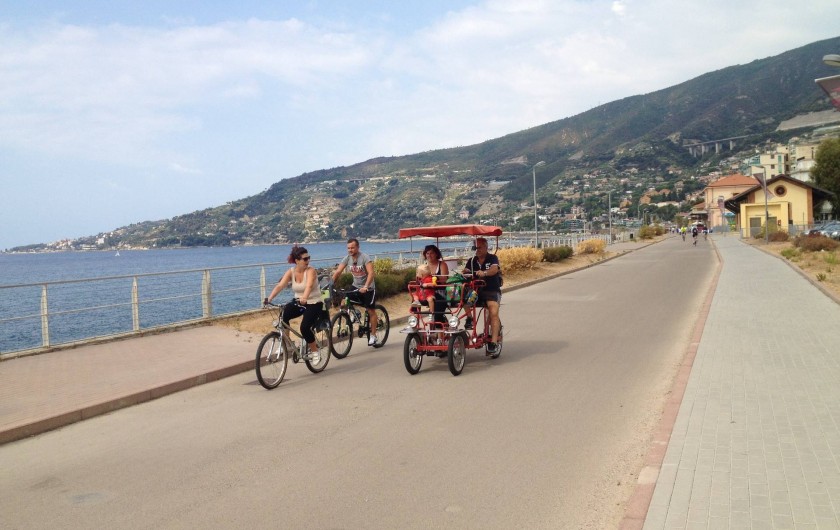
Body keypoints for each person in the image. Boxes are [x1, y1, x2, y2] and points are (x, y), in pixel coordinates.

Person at [264, 246, 324, 359]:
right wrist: (269, 298)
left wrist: (305, 297)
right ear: (297, 261)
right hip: (299, 302)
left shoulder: (311, 271)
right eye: (305, 259)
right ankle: (287, 344)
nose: (308, 261)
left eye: (308, 258)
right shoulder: (291, 271)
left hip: (314, 302)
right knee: (284, 315)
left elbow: (309, 286)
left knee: (305, 327)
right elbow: (280, 285)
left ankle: (315, 352)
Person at [332, 238, 379, 346]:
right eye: (348, 248)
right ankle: (355, 312)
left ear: (358, 247)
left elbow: (371, 273)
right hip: (356, 286)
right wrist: (331, 283)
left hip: (368, 288)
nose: (350, 250)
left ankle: (373, 335)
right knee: (344, 301)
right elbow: (338, 271)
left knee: (371, 311)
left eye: (352, 247)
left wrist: (366, 286)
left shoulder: (364, 257)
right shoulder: (347, 258)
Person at [463, 237, 502, 354]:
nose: (477, 250)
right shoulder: (472, 260)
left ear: (486, 247)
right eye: (475, 247)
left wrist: (484, 273)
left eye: (479, 247)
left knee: (493, 313)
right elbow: (465, 271)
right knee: (464, 299)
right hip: (476, 291)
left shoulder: (492, 258)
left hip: (491, 290)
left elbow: (494, 269)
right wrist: (465, 274)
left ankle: (493, 342)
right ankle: (469, 317)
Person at [422, 244, 449, 325]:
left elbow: (444, 280)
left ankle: (440, 336)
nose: (429, 255)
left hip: (440, 292)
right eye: (427, 253)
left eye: (431, 253)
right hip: (427, 293)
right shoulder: (424, 266)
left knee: (437, 316)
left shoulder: (442, 264)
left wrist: (434, 277)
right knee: (414, 305)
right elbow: (419, 278)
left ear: (436, 254)